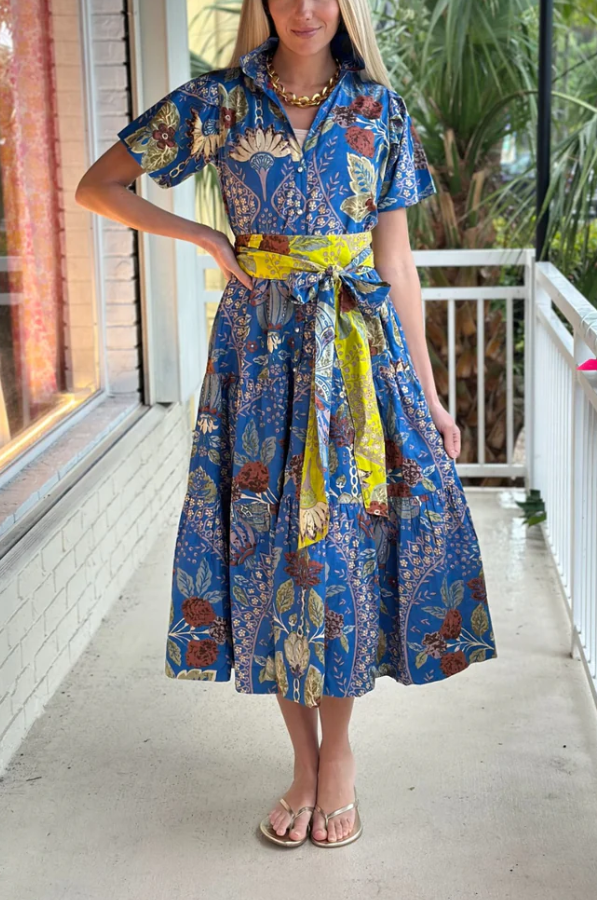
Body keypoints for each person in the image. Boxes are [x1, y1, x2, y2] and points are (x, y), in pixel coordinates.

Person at [76, 0, 498, 850]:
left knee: (336, 557)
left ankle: (336, 757)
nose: (306, 8)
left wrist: (428, 392)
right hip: (261, 360)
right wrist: (204, 236)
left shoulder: (378, 109)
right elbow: (97, 186)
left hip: (358, 362)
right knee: (269, 556)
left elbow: (395, 260)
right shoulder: (219, 103)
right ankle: (301, 762)